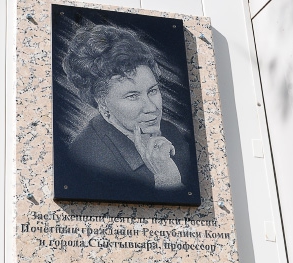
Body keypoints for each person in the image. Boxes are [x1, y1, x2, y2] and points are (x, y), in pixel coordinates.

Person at [59, 24, 199, 204]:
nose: (151, 107)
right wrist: (167, 181)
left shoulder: (171, 132)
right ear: (103, 103)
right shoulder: (86, 157)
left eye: (152, 91)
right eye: (132, 96)